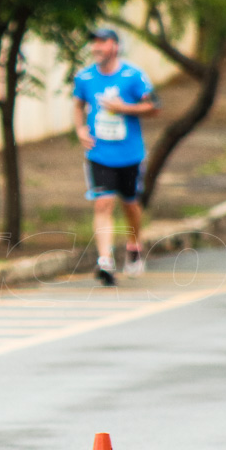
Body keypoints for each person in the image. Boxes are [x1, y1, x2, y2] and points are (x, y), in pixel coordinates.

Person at [72, 28, 159, 286]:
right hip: (99, 153)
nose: (96, 48)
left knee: (130, 204)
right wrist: (80, 129)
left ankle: (134, 245)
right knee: (103, 203)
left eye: (102, 43)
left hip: (130, 154)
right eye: (94, 43)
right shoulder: (84, 77)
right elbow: (78, 104)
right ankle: (105, 260)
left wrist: (124, 108)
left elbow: (154, 105)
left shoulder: (133, 76)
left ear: (115, 46)